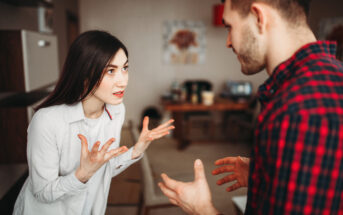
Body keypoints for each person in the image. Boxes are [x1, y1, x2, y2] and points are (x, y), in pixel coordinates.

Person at [159, 0, 343, 214]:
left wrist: (203, 209)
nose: (228, 42)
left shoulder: (295, 112)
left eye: (229, 27)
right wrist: (264, 174)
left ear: (258, 17)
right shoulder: (332, 77)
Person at [13, 30, 174, 215]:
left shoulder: (116, 110)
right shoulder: (47, 121)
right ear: (84, 74)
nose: (122, 81)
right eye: (111, 71)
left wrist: (136, 150)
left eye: (125, 68)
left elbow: (102, 169)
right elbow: (42, 193)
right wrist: (82, 175)